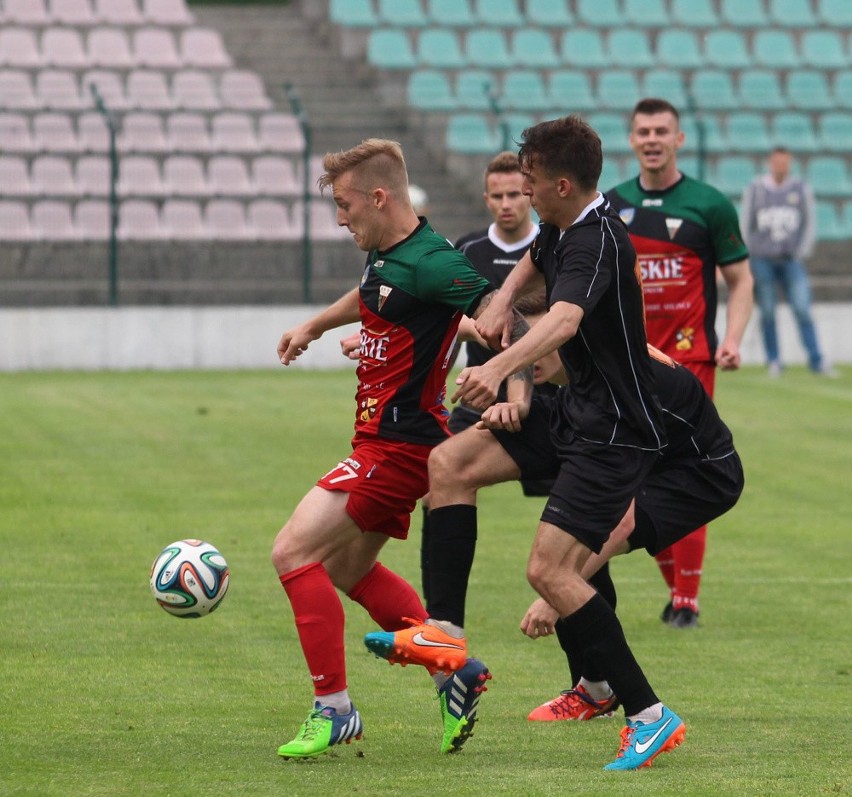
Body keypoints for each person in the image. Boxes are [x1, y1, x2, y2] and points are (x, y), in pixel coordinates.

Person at [366, 115, 686, 771]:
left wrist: (498, 363)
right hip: (572, 410)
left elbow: (565, 317)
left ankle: (649, 715)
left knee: (549, 572)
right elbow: (532, 266)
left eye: (532, 181)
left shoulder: (599, 239)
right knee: (447, 464)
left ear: (562, 184)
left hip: (614, 430)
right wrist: (498, 300)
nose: (525, 190)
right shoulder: (561, 226)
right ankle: (445, 635)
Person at [271, 138, 497, 760]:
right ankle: (455, 670)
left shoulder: (431, 260)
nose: (340, 218)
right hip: (385, 439)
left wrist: (508, 371)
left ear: (378, 197)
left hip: (398, 446)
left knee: (292, 553)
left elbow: (493, 310)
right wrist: (320, 326)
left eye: (344, 205)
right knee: (345, 569)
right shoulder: (389, 254)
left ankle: (333, 708)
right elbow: (374, 295)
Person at [606, 97, 753, 629]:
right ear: (631, 138)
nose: (651, 139)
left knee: (685, 468)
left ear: (678, 139)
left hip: (690, 361)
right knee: (633, 476)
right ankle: (678, 590)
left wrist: (732, 338)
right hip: (628, 361)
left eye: (661, 130)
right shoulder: (610, 206)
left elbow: (740, 279)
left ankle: (686, 600)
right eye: (642, 130)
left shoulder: (709, 205)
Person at [420, 151, 545, 604]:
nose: (507, 203)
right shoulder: (468, 251)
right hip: (480, 396)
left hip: (548, 393)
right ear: (486, 198)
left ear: (530, 195)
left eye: (515, 194)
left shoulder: (552, 247)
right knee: (436, 484)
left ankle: (573, 593)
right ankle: (433, 612)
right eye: (498, 196)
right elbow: (445, 319)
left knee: (579, 507)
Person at [741, 146, 835, 378]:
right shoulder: (756, 189)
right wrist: (747, 253)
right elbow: (746, 222)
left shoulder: (801, 189)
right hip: (762, 259)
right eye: (777, 162)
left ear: (789, 164)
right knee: (769, 311)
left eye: (785, 163)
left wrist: (801, 251)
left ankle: (817, 360)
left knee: (803, 309)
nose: (781, 167)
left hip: (791, 260)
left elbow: (809, 222)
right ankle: (774, 360)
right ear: (771, 163)